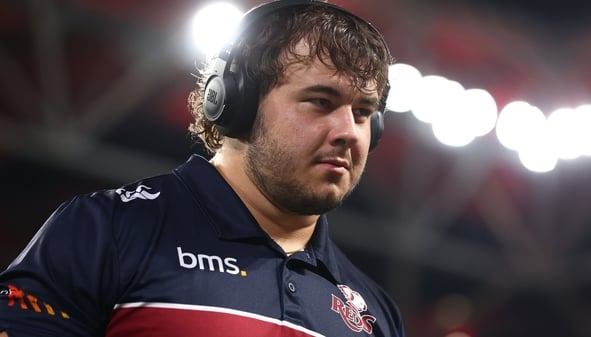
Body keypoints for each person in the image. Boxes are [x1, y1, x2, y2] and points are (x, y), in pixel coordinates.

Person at [0, 0, 404, 336]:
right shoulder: (106, 230)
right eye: (321, 101)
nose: (350, 132)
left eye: (364, 113)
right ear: (235, 104)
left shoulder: (376, 313)